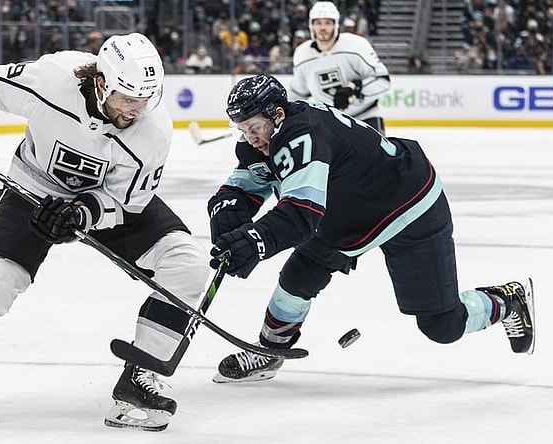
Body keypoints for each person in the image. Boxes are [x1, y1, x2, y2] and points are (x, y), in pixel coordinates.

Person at [0, 32, 210, 432]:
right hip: (34, 187)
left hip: (101, 201)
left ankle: (139, 378)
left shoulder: (154, 129)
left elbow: (127, 202)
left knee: (186, 263)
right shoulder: (53, 78)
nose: (136, 110)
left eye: (144, 100)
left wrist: (83, 213)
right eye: (127, 99)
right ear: (102, 83)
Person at [206, 74, 535, 383]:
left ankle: (507, 301)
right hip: (350, 215)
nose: (251, 138)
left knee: (442, 325)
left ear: (277, 115)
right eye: (243, 130)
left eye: (255, 128)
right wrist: (228, 210)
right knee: (299, 275)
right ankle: (270, 351)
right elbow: (245, 187)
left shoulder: (302, 134)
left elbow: (301, 214)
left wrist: (254, 241)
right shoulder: (267, 139)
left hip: (407, 206)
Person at [288, 1, 390, 135]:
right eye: (318, 23)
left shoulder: (356, 45)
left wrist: (355, 90)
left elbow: (382, 80)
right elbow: (297, 93)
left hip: (365, 117)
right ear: (311, 25)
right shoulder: (302, 54)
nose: (323, 28)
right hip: (329, 123)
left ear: (336, 24)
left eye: (327, 23)